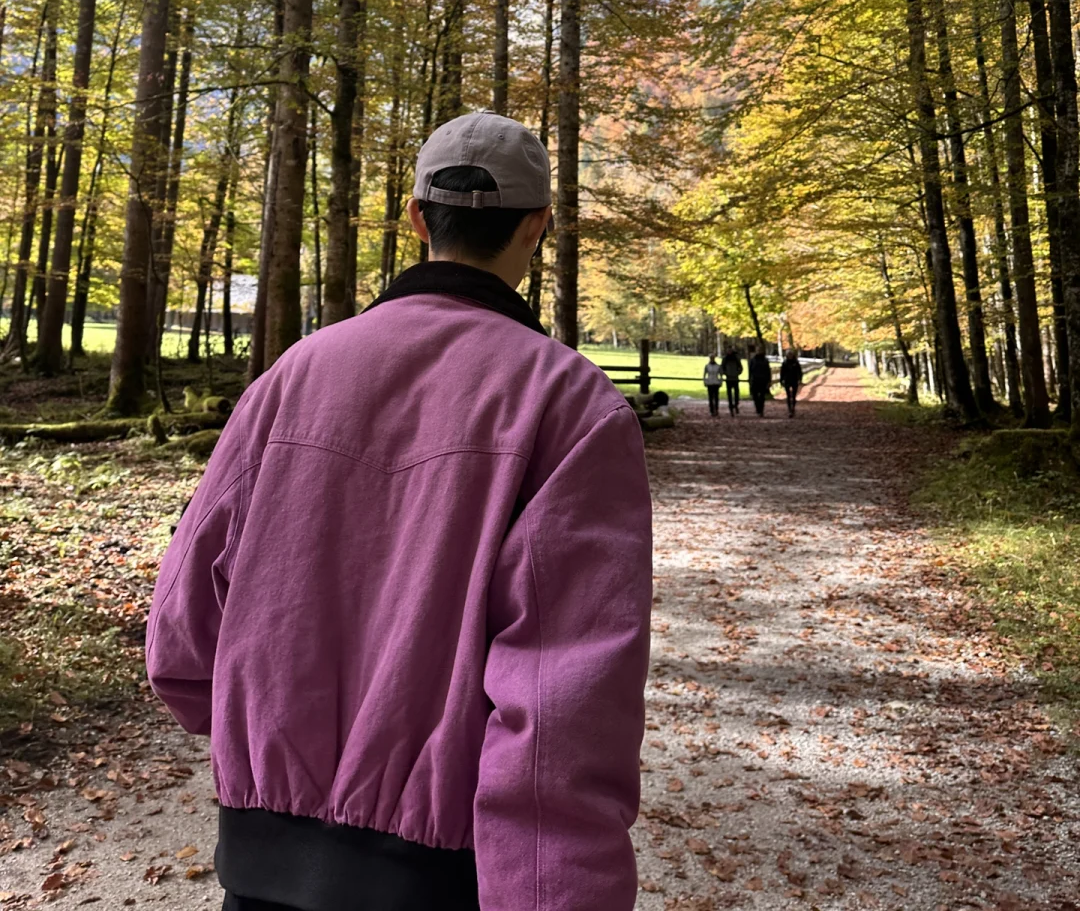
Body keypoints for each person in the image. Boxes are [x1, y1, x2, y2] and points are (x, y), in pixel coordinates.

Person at [146, 110, 653, 911]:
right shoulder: (570, 405)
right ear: (539, 226)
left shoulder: (293, 375)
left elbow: (181, 636)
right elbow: (567, 703)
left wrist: (275, 755)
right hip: (444, 881)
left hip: (258, 867)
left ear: (417, 218)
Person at [748, 344, 772, 416]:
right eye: (758, 350)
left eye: (760, 350)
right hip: (755, 380)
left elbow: (768, 371)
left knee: (762, 396)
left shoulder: (765, 360)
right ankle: (758, 409)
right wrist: (749, 379)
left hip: (763, 380)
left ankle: (761, 410)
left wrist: (769, 380)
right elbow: (750, 370)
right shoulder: (753, 360)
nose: (759, 351)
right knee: (755, 396)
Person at [720, 344, 743, 415]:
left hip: (735, 378)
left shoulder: (736, 358)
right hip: (728, 379)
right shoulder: (725, 358)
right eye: (728, 350)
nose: (729, 351)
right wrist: (725, 373)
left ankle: (736, 405)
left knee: (736, 393)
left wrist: (737, 373)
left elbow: (740, 367)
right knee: (729, 394)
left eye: (730, 350)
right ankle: (730, 407)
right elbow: (722, 368)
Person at [781, 346, 804, 417]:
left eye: (791, 354)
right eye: (788, 354)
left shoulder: (796, 363)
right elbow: (782, 372)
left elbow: (799, 372)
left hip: (794, 380)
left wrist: (800, 379)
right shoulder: (784, 363)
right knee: (788, 395)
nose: (790, 356)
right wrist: (781, 380)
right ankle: (789, 410)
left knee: (793, 396)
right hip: (787, 380)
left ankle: (793, 407)